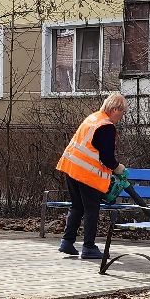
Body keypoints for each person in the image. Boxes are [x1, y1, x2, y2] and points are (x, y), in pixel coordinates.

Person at [55, 91, 126, 261]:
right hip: (87, 174)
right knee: (91, 209)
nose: (122, 117)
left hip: (71, 167)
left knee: (77, 206)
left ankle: (67, 241)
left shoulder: (93, 118)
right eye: (122, 113)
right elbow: (107, 157)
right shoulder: (106, 126)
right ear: (115, 109)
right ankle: (88, 247)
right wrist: (118, 168)